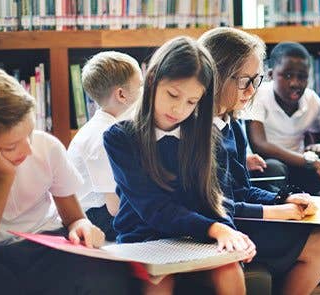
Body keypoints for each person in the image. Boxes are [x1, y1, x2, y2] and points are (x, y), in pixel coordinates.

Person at [199, 27, 320, 295]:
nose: (251, 90)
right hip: (220, 227)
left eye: (256, 80)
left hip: (241, 218)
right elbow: (216, 207)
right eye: (244, 81)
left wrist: (282, 199)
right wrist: (275, 211)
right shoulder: (200, 133)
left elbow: (243, 189)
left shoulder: (231, 124)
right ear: (217, 76)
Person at [103, 36, 255, 295]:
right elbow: (154, 208)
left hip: (195, 237)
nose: (178, 108)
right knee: (160, 282)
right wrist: (213, 228)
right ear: (152, 80)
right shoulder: (120, 137)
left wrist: (229, 231)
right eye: (173, 94)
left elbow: (218, 197)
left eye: (191, 101)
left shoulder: (208, 136)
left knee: (230, 272)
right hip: (143, 239)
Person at [0, 66, 134, 294]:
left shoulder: (46, 147)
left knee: (108, 278)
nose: (28, 149)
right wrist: (2, 179)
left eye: (29, 134)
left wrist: (83, 226)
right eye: (11, 146)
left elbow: (74, 218)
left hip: (45, 243)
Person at [242, 41, 320, 294]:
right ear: (272, 74)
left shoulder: (312, 101)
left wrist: (318, 151)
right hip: (270, 168)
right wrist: (311, 160)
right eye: (287, 75)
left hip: (300, 164)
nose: (295, 83)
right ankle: (288, 246)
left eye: (302, 76)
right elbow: (260, 144)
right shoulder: (259, 95)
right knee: (274, 166)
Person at [67, 51, 143, 241]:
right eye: (140, 86)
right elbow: (115, 207)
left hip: (105, 208)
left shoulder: (114, 126)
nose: (144, 92)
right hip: (92, 215)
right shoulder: (103, 137)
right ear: (121, 94)